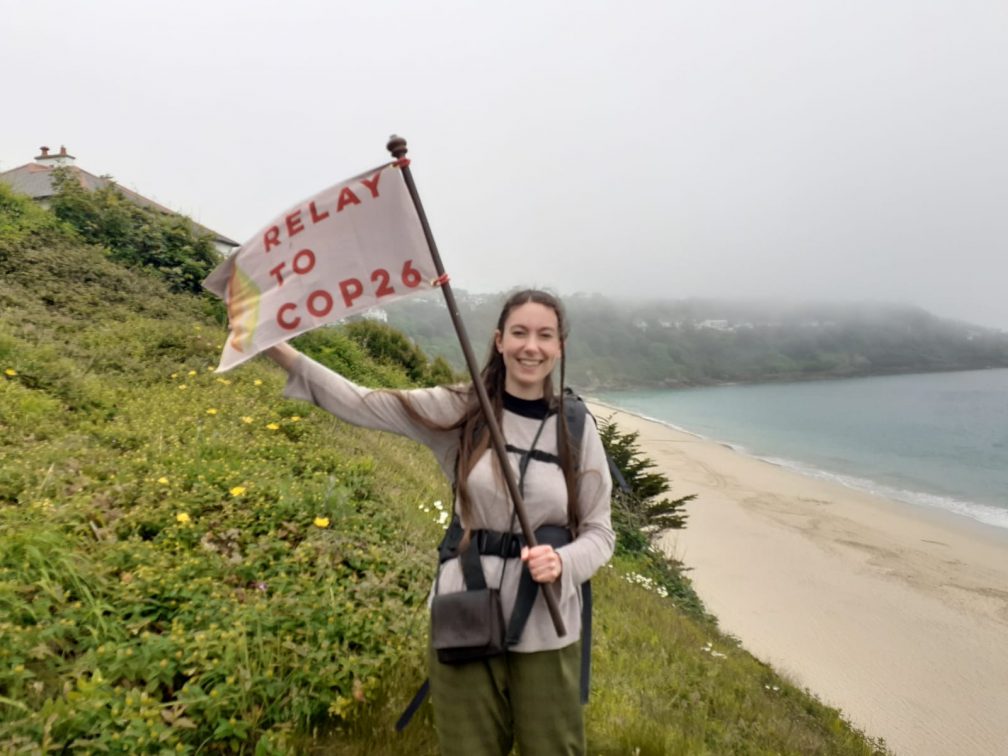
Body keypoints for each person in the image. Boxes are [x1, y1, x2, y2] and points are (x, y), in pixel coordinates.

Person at [264, 289, 614, 755]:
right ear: (499, 340)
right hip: (464, 609)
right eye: (520, 333)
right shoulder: (462, 407)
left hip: (546, 620)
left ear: (560, 347)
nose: (532, 346)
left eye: (545, 335)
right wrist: (273, 346)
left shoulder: (574, 425)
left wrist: (564, 563)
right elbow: (363, 402)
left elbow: (599, 532)